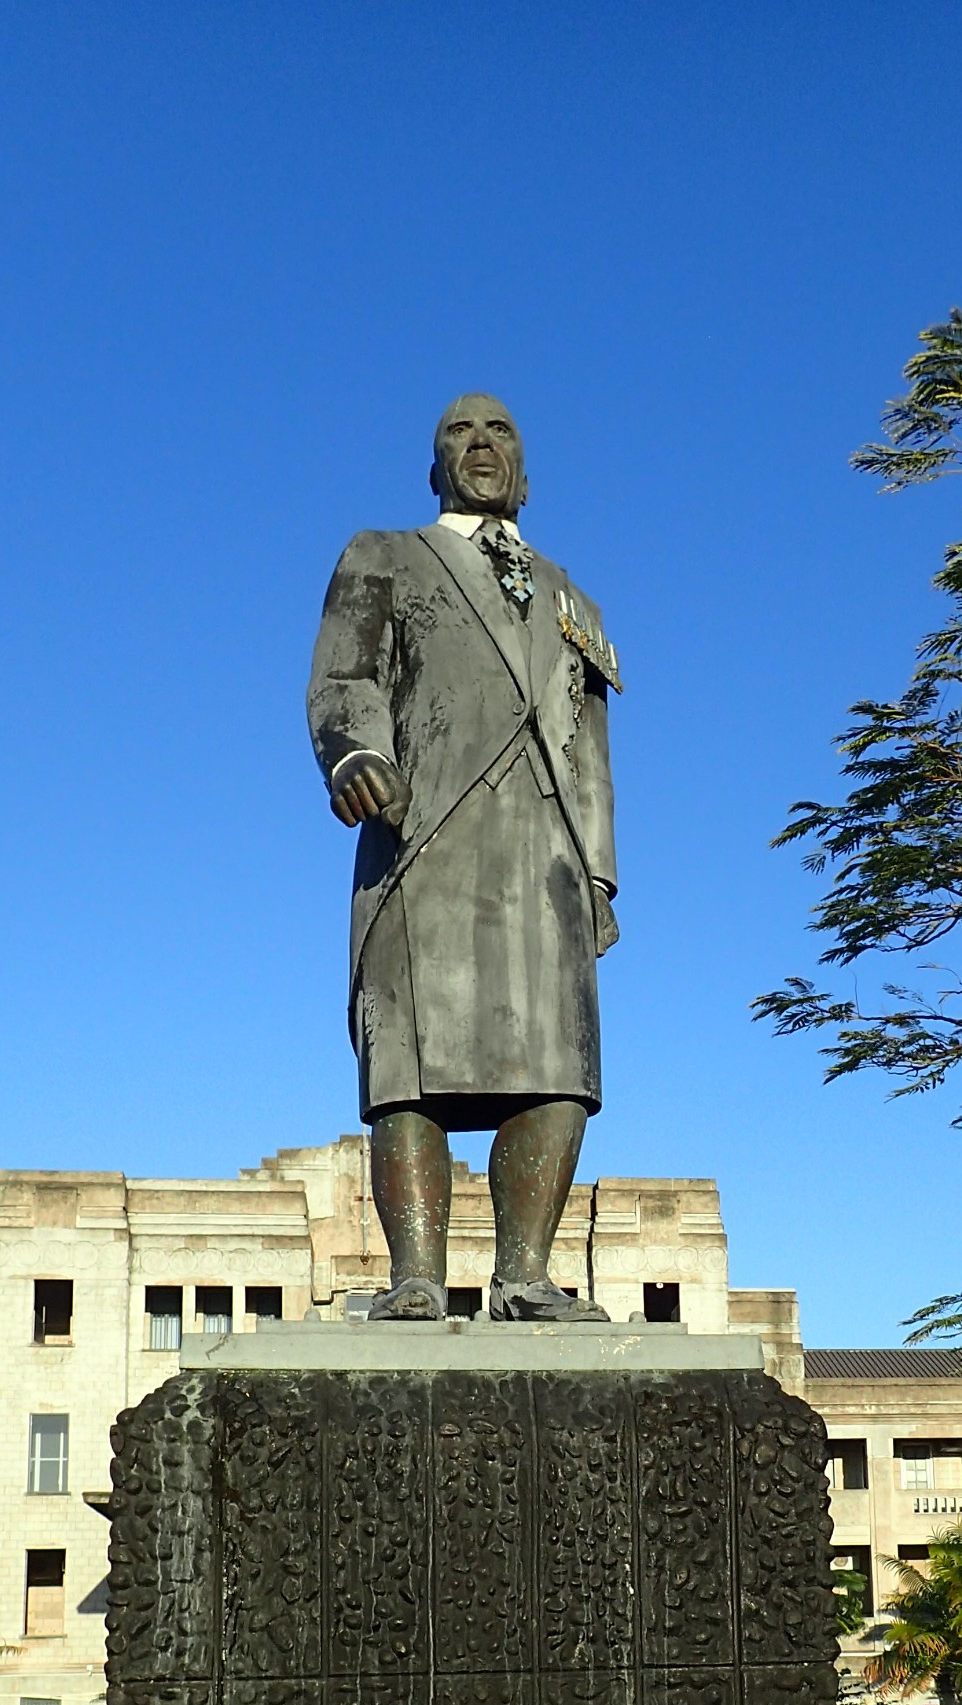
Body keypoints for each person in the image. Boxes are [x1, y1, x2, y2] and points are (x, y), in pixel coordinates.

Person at [307, 394, 623, 1321]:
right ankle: (415, 1276)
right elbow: (343, 675)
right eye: (460, 432)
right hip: (425, 836)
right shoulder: (387, 555)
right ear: (435, 464)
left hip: (545, 861)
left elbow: (590, 749)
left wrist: (598, 872)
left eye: (501, 432)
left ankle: (525, 1273)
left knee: (559, 1063)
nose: (481, 444)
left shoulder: (572, 597)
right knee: (410, 1062)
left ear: (525, 465)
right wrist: (358, 753)